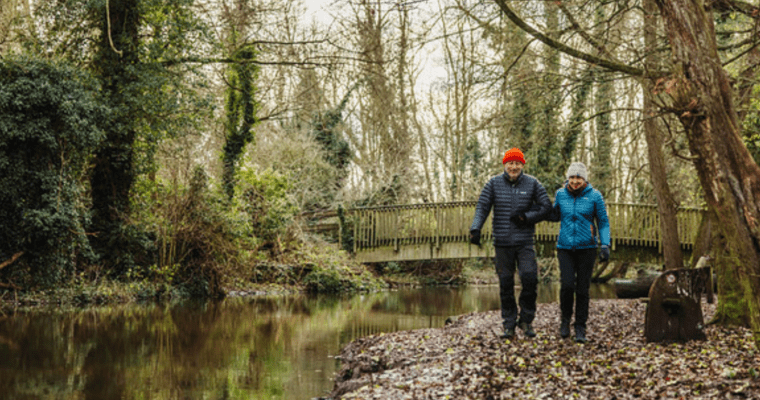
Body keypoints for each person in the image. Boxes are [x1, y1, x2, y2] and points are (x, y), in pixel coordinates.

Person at [469, 148, 552, 339]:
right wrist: (476, 228)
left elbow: (546, 207)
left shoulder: (532, 183)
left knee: (530, 278)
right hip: (502, 242)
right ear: (504, 165)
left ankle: (526, 320)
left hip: (525, 242)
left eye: (517, 163)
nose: (513, 167)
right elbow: (482, 206)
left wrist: (526, 217)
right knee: (505, 284)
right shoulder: (493, 183)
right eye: (510, 163)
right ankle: (509, 324)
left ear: (522, 165)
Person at [549, 162, 610, 343]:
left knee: (583, 290)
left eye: (579, 178)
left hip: (587, 248)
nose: (575, 181)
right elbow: (554, 215)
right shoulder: (560, 194)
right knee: (567, 285)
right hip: (565, 247)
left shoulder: (595, 196)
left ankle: (580, 327)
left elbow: (603, 222)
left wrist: (605, 245)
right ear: (568, 178)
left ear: (585, 179)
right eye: (572, 177)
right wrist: (541, 209)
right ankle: (565, 321)